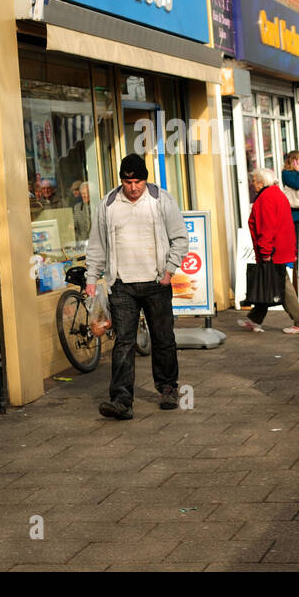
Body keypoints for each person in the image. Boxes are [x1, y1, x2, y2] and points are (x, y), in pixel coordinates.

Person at [85, 154, 189, 420]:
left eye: (138, 181)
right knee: (124, 342)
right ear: (121, 180)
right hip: (121, 285)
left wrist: (168, 271)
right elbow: (96, 244)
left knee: (163, 338)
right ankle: (121, 401)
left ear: (145, 179)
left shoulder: (161, 200)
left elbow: (180, 238)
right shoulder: (108, 204)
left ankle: (167, 388)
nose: (133, 187)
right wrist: (91, 278)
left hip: (156, 282)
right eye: (128, 181)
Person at [241, 168, 299, 334]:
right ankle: (254, 319)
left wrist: (265, 252)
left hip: (273, 251)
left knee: (282, 286)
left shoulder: (265, 198)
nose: (252, 184)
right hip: (281, 248)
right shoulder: (277, 194)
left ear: (261, 182)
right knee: (269, 283)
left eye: (254, 181)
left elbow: (266, 228)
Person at [281, 150, 299, 290]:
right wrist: (298, 171)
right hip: (293, 214)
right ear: (292, 160)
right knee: (295, 242)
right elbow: (298, 185)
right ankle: (295, 270)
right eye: (298, 159)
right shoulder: (286, 173)